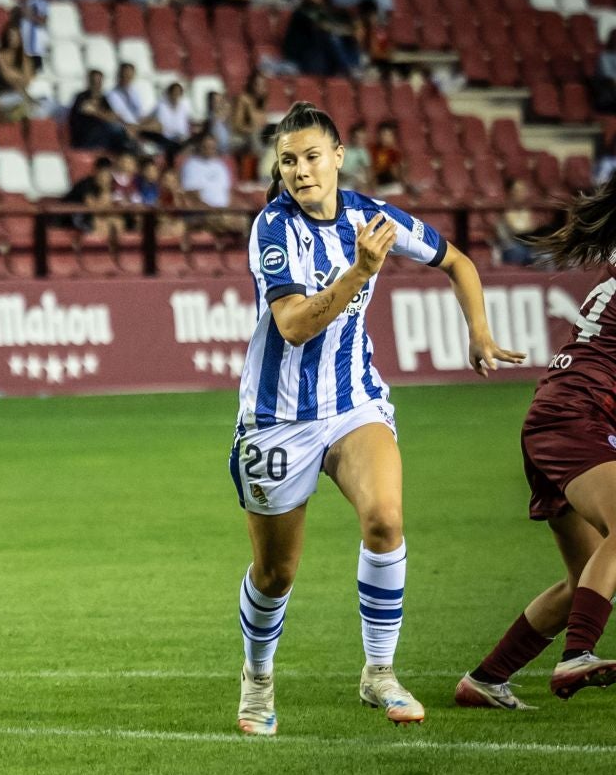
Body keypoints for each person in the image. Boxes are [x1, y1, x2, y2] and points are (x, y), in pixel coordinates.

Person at [229, 102, 522, 737]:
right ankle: (257, 678)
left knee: (385, 520)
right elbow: (294, 325)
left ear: (338, 157)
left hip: (354, 403)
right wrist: (360, 271)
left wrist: (479, 331)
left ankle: (379, 672)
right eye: (288, 161)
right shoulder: (273, 230)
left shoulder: (372, 217)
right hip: (276, 419)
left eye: (312, 157)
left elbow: (458, 262)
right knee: (276, 572)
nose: (301, 171)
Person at [458, 181, 616, 709]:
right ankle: (577, 655)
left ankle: (485, 679)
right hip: (578, 416)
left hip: (554, 414)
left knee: (583, 580)